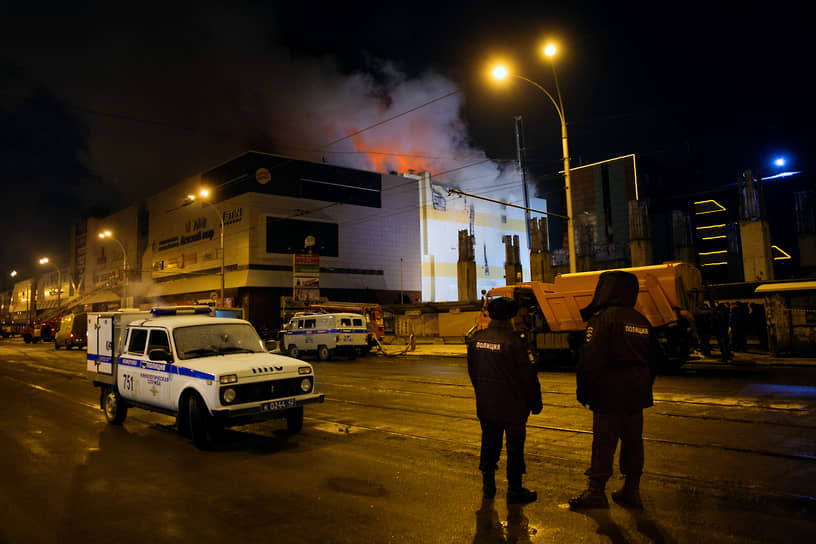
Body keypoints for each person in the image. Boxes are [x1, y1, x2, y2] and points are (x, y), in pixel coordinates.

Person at [569, 271, 662, 510]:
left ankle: (596, 491)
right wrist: (642, 385)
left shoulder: (602, 320)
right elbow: (654, 361)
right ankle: (631, 490)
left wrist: (585, 391)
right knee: (633, 442)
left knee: (604, 443)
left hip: (609, 393)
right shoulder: (641, 320)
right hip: (637, 392)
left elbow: (591, 360)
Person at [467, 297, 543, 504]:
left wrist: (483, 394)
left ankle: (488, 486)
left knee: (489, 444)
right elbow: (528, 377)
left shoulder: (476, 339)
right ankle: (515, 489)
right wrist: (536, 403)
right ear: (511, 316)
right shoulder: (515, 342)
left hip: (486, 405)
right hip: (513, 407)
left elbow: (473, 373)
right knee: (514, 448)